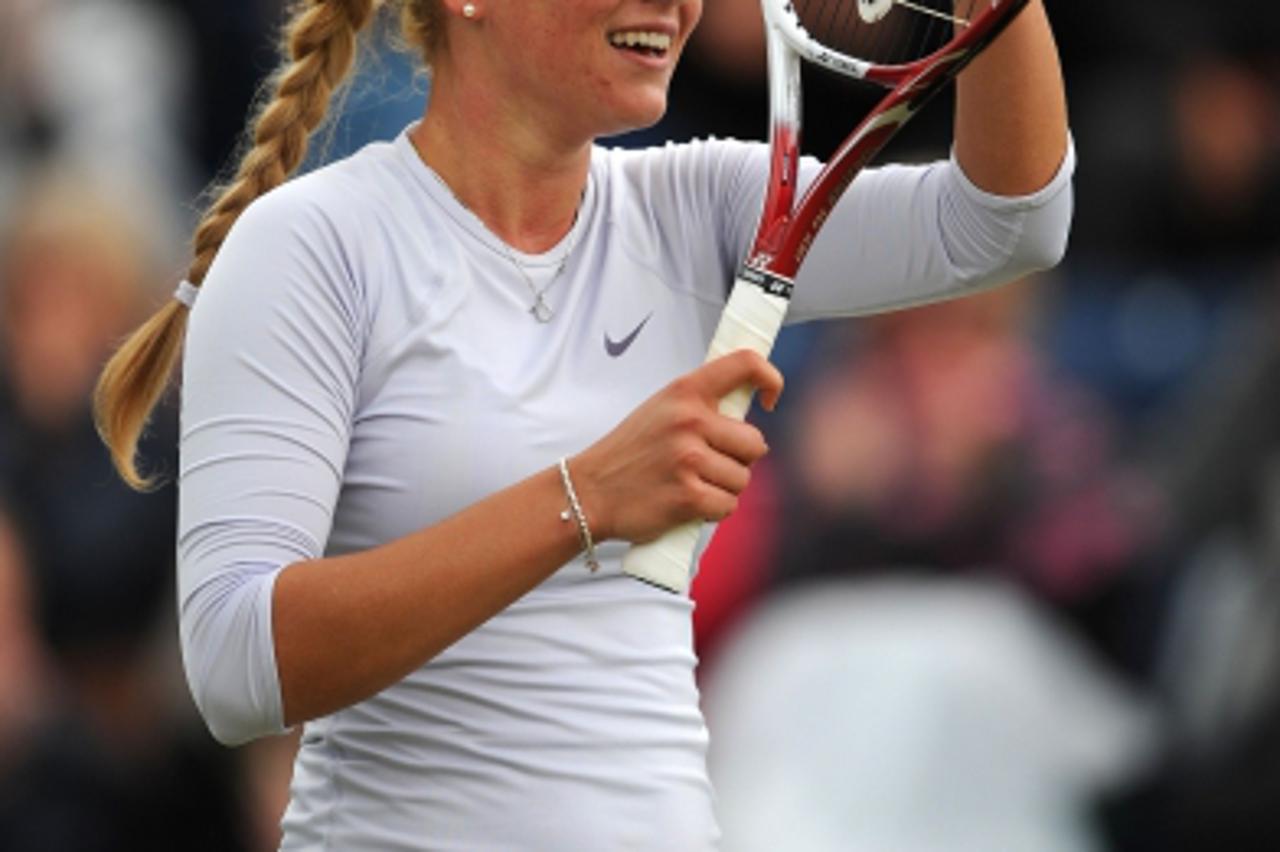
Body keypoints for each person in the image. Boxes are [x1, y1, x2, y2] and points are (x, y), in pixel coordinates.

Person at [94, 0, 1072, 847]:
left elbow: (1007, 220)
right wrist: (584, 497)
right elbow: (233, 665)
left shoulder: (692, 205)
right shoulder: (311, 247)